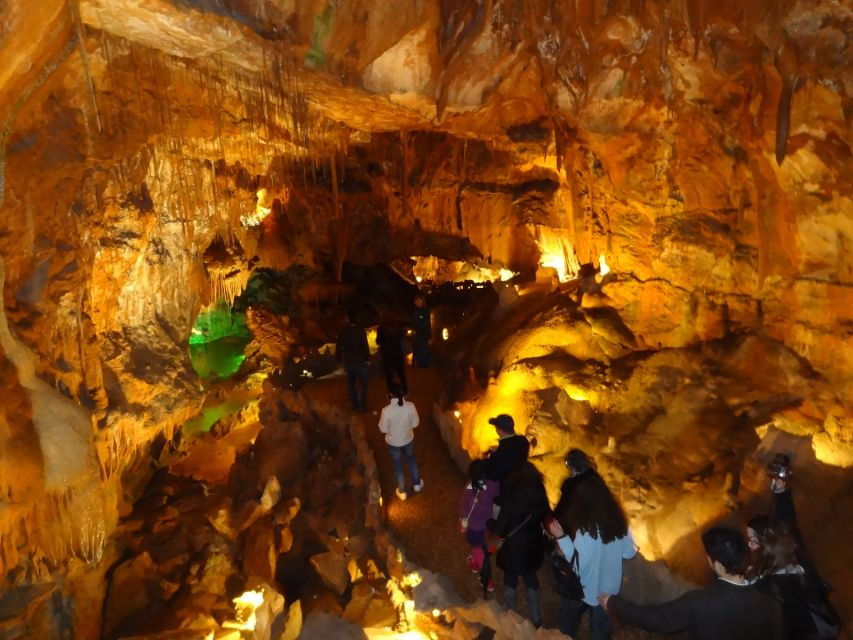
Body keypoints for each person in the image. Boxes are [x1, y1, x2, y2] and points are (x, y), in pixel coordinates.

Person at [600, 526, 785, 640]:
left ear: (718, 565)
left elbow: (655, 619)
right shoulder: (771, 604)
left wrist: (613, 603)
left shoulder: (700, 603)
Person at [545, 471, 636, 640]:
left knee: (566, 628)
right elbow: (630, 553)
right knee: (600, 634)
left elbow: (577, 565)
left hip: (583, 589)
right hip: (607, 593)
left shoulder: (585, 531)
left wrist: (561, 536)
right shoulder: (621, 525)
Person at [747, 516, 841, 639]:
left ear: (767, 544)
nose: (749, 545)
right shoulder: (796, 561)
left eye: (752, 540)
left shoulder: (767, 584)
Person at [487, 461, 548, 627]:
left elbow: (502, 526)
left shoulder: (511, 494)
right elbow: (546, 514)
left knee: (510, 577)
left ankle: (510, 614)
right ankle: (535, 617)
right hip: (532, 542)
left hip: (512, 545)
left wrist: (489, 524)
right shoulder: (539, 491)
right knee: (530, 577)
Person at [459, 460, 499, 593]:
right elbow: (497, 493)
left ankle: (488, 582)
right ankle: (474, 564)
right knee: (482, 549)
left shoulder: (467, 492)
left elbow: (464, 512)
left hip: (474, 529)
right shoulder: (492, 484)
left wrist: (464, 526)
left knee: (480, 552)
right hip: (487, 526)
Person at [378, 382, 422, 501]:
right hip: (408, 439)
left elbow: (383, 429)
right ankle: (417, 484)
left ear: (390, 395)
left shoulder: (386, 411)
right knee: (411, 458)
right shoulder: (410, 406)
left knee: (398, 464)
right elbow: (415, 423)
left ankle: (402, 491)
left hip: (393, 443)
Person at [335, 309, 370, 411]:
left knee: (351, 382)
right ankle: (361, 404)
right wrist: (367, 358)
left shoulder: (343, 331)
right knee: (363, 383)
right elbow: (365, 345)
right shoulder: (360, 330)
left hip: (349, 361)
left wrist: (338, 360)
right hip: (360, 360)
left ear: (348, 319)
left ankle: (353, 402)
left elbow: (338, 347)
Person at [553, 448, 600, 523]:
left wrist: (554, 518)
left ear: (571, 464)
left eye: (566, 463)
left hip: (578, 523)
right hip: (596, 520)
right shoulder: (595, 477)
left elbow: (564, 505)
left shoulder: (570, 483)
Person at [483, 414, 529, 489]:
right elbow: (512, 448)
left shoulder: (499, 453)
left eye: (496, 427)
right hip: (522, 483)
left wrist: (488, 458)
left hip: (508, 491)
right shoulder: (523, 441)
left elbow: (493, 475)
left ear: (500, 431)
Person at [376, 312, 408, 396]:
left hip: (387, 355)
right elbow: (402, 337)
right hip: (398, 354)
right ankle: (405, 390)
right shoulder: (397, 327)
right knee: (401, 373)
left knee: (389, 376)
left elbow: (378, 341)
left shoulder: (381, 329)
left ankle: (391, 392)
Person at [411, 294, 431, 367]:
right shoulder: (416, 311)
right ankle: (420, 363)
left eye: (419, 301)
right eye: (416, 301)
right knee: (418, 348)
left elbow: (427, 323)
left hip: (423, 333)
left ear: (422, 301)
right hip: (417, 333)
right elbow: (414, 322)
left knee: (423, 349)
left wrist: (429, 335)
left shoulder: (425, 311)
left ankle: (424, 364)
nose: (418, 302)